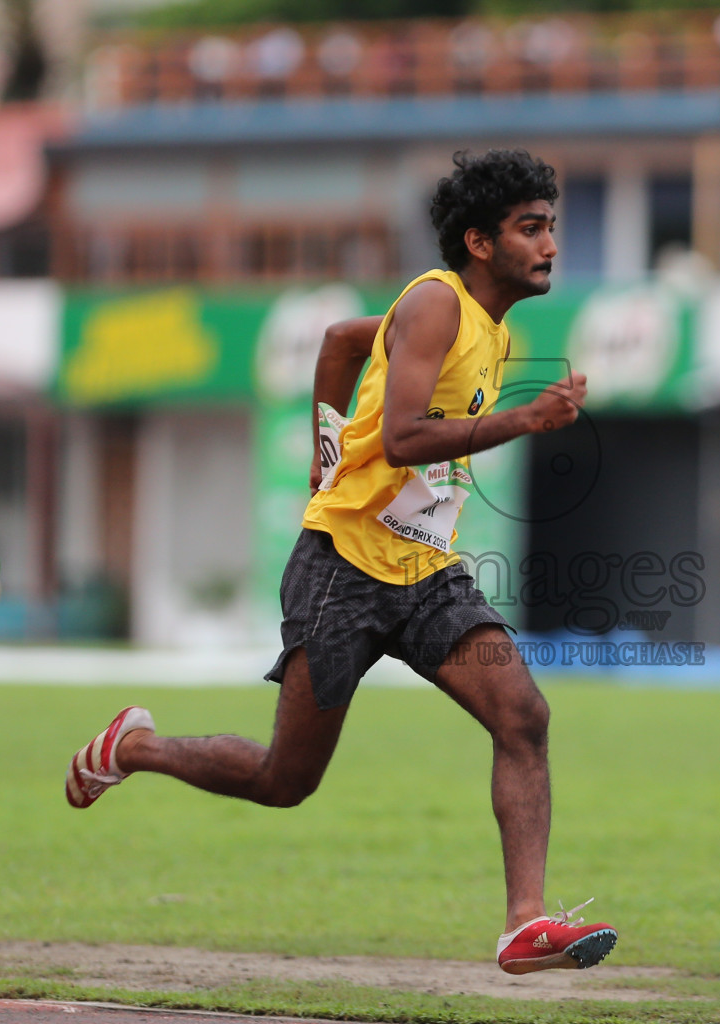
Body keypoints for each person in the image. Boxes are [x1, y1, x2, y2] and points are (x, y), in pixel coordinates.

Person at [64, 150, 617, 975]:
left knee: (524, 716)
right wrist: (523, 422)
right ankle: (133, 750)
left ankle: (523, 924)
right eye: (529, 229)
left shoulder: (492, 328)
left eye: (550, 227)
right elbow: (402, 439)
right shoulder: (436, 304)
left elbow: (339, 341)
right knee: (285, 779)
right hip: (342, 570)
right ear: (478, 240)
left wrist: (327, 445)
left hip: (424, 570)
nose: (549, 245)